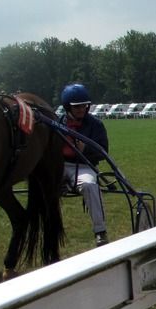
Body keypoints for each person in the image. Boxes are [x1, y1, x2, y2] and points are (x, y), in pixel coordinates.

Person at [59, 83, 110, 247]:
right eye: (77, 107)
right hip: (60, 166)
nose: (82, 109)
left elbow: (103, 152)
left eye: (84, 105)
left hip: (84, 166)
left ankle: (100, 231)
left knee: (89, 185)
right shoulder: (57, 123)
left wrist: (85, 149)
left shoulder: (96, 125)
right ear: (68, 107)